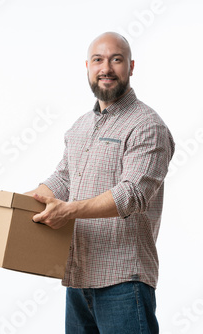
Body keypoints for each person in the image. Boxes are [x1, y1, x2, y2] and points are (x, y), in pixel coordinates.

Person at [25, 32, 175, 333]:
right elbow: (64, 177)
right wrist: (13, 204)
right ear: (87, 66)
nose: (106, 68)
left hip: (123, 280)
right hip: (79, 278)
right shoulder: (80, 126)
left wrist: (68, 211)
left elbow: (132, 194)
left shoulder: (147, 125)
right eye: (98, 60)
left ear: (131, 67)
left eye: (116, 59)